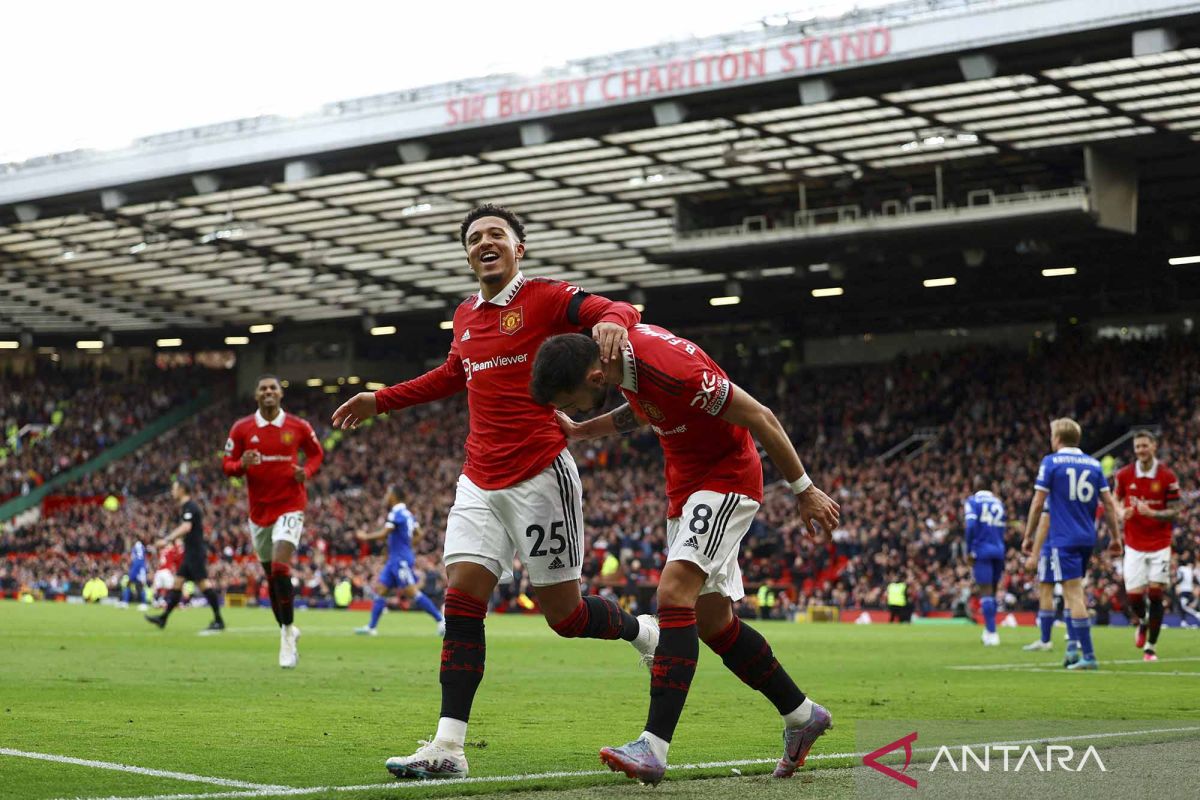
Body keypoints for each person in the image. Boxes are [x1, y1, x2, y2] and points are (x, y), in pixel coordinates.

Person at [331, 204, 658, 780]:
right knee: (461, 601)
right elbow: (452, 375)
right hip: (478, 478)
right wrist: (380, 399)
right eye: (475, 237)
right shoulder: (465, 315)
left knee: (566, 616)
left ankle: (644, 631)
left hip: (540, 475)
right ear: (467, 253)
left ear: (518, 249)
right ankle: (447, 748)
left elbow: (617, 307)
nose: (486, 242)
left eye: (496, 235)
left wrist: (615, 322)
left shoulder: (548, 298)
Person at [529, 326, 840, 785]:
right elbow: (641, 414)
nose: (572, 409)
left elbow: (761, 416)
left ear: (595, 376)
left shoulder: (671, 368)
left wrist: (804, 489)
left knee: (673, 594)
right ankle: (802, 715)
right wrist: (581, 431)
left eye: (571, 403)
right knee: (714, 623)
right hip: (687, 488)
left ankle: (653, 748)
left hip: (725, 478)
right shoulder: (625, 368)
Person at [222, 374, 325, 668]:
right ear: (257, 395)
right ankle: (288, 628)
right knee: (271, 577)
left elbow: (317, 454)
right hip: (259, 512)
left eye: (273, 388)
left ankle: (286, 638)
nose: (268, 392)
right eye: (263, 388)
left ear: (281, 395)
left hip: (291, 505)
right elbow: (226, 466)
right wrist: (241, 464)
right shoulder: (242, 429)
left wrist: (308, 471)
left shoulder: (298, 426)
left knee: (281, 568)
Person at [1022, 418, 1122, 670]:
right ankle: (1072, 649)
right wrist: (1116, 537)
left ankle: (1088, 655)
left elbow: (1037, 503)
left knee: (1073, 594)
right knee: (1071, 592)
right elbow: (1109, 504)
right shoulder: (1094, 464)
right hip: (1087, 538)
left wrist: (1028, 535)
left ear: (1057, 438)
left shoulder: (1051, 462)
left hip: (1063, 539)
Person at [1113, 430, 1181, 662]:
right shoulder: (1124, 475)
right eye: (1137, 447)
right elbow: (1115, 499)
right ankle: (1141, 622)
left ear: (1154, 446)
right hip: (1133, 543)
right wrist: (1122, 512)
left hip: (1160, 543)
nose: (1141, 450)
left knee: (1155, 593)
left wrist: (1152, 513)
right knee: (1134, 596)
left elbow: (1176, 509)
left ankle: (1150, 647)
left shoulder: (1167, 476)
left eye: (1144, 445)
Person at [354, 487, 445, 636]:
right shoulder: (408, 514)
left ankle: (441, 620)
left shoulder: (396, 512)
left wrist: (365, 537)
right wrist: (407, 546)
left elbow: (385, 534)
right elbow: (419, 534)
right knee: (381, 590)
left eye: (388, 494)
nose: (386, 497)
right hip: (395, 558)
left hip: (400, 559)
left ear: (394, 496)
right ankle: (371, 627)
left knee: (411, 591)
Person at [145, 477, 225, 633]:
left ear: (182, 489)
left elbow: (186, 527)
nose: (172, 491)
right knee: (177, 584)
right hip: (190, 553)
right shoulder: (186, 507)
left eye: (174, 488)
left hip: (195, 553)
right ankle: (163, 618)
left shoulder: (190, 507)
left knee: (204, 585)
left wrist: (167, 540)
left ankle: (219, 620)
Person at [963, 476, 1006, 646]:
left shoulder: (973, 501)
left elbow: (971, 526)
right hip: (999, 549)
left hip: (982, 550)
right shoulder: (998, 503)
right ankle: (988, 630)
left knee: (986, 591)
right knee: (993, 592)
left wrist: (969, 550)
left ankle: (993, 633)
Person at [122, 538, 149, 609]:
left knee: (129, 584)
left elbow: (133, 559)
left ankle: (125, 602)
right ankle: (143, 604)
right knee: (140, 586)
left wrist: (129, 566)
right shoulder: (142, 547)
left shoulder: (135, 548)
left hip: (136, 568)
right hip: (142, 569)